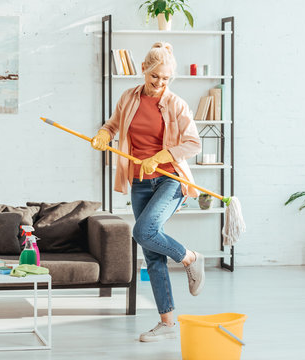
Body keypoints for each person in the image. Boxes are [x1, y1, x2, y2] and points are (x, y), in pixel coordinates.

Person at [91, 42, 205, 342]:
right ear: (144, 70)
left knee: (143, 231)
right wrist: (104, 134)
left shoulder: (177, 104)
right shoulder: (129, 98)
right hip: (141, 182)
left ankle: (190, 257)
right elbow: (113, 125)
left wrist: (162, 156)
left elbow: (194, 143)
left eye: (166, 79)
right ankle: (167, 323)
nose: (160, 84)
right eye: (155, 77)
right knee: (152, 254)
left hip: (169, 179)